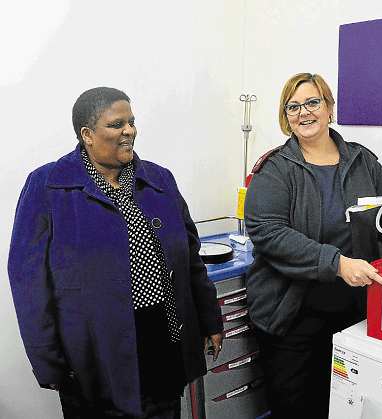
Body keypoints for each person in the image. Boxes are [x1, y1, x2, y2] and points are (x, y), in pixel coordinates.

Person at [8, 87, 224, 419]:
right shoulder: (47, 187)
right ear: (87, 134)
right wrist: (47, 361)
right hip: (94, 357)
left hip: (163, 345)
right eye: (117, 123)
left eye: (132, 122)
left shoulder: (159, 180)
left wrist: (209, 318)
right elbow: (27, 282)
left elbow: (190, 260)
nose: (129, 131)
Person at [244, 73, 382, 418]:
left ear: (329, 108)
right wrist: (337, 263)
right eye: (293, 107)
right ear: (286, 118)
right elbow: (267, 230)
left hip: (354, 312)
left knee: (343, 405)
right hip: (292, 314)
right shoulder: (276, 169)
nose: (304, 112)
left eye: (312, 102)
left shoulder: (362, 162)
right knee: (297, 407)